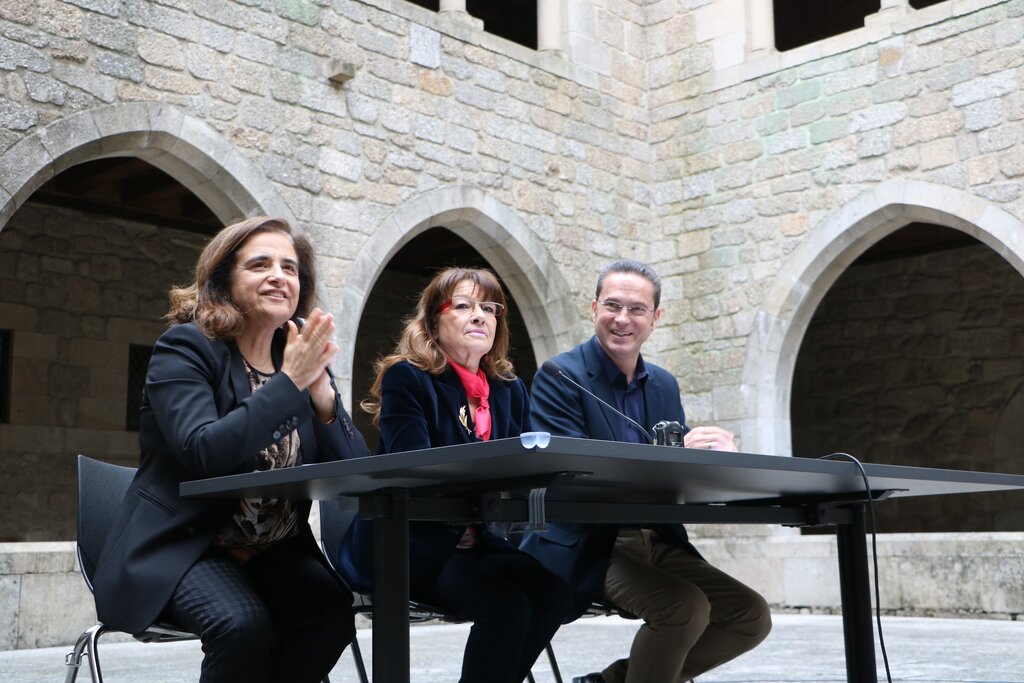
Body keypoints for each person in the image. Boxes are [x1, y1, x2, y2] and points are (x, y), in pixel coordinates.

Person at [92, 217, 369, 683]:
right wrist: (290, 383)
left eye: (290, 267)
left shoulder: (297, 358)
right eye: (260, 264)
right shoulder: (185, 349)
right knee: (241, 625)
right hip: (188, 545)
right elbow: (205, 451)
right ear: (224, 282)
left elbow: (355, 473)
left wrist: (322, 399)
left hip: (274, 549)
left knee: (330, 614)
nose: (279, 276)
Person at [521, 259, 772, 683]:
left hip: (657, 538)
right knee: (684, 608)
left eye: (636, 309)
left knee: (750, 614)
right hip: (589, 541)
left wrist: (718, 454)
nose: (623, 319)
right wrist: (668, 451)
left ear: (655, 318)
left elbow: (676, 466)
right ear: (593, 308)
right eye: (612, 306)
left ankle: (612, 681)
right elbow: (573, 468)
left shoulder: (664, 384)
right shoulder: (559, 375)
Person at [335, 266, 571, 683]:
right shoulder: (408, 377)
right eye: (463, 305)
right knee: (506, 606)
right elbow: (415, 466)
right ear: (433, 322)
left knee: (553, 595)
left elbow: (516, 469)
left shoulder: (507, 388)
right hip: (405, 541)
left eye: (489, 308)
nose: (479, 315)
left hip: (470, 538)